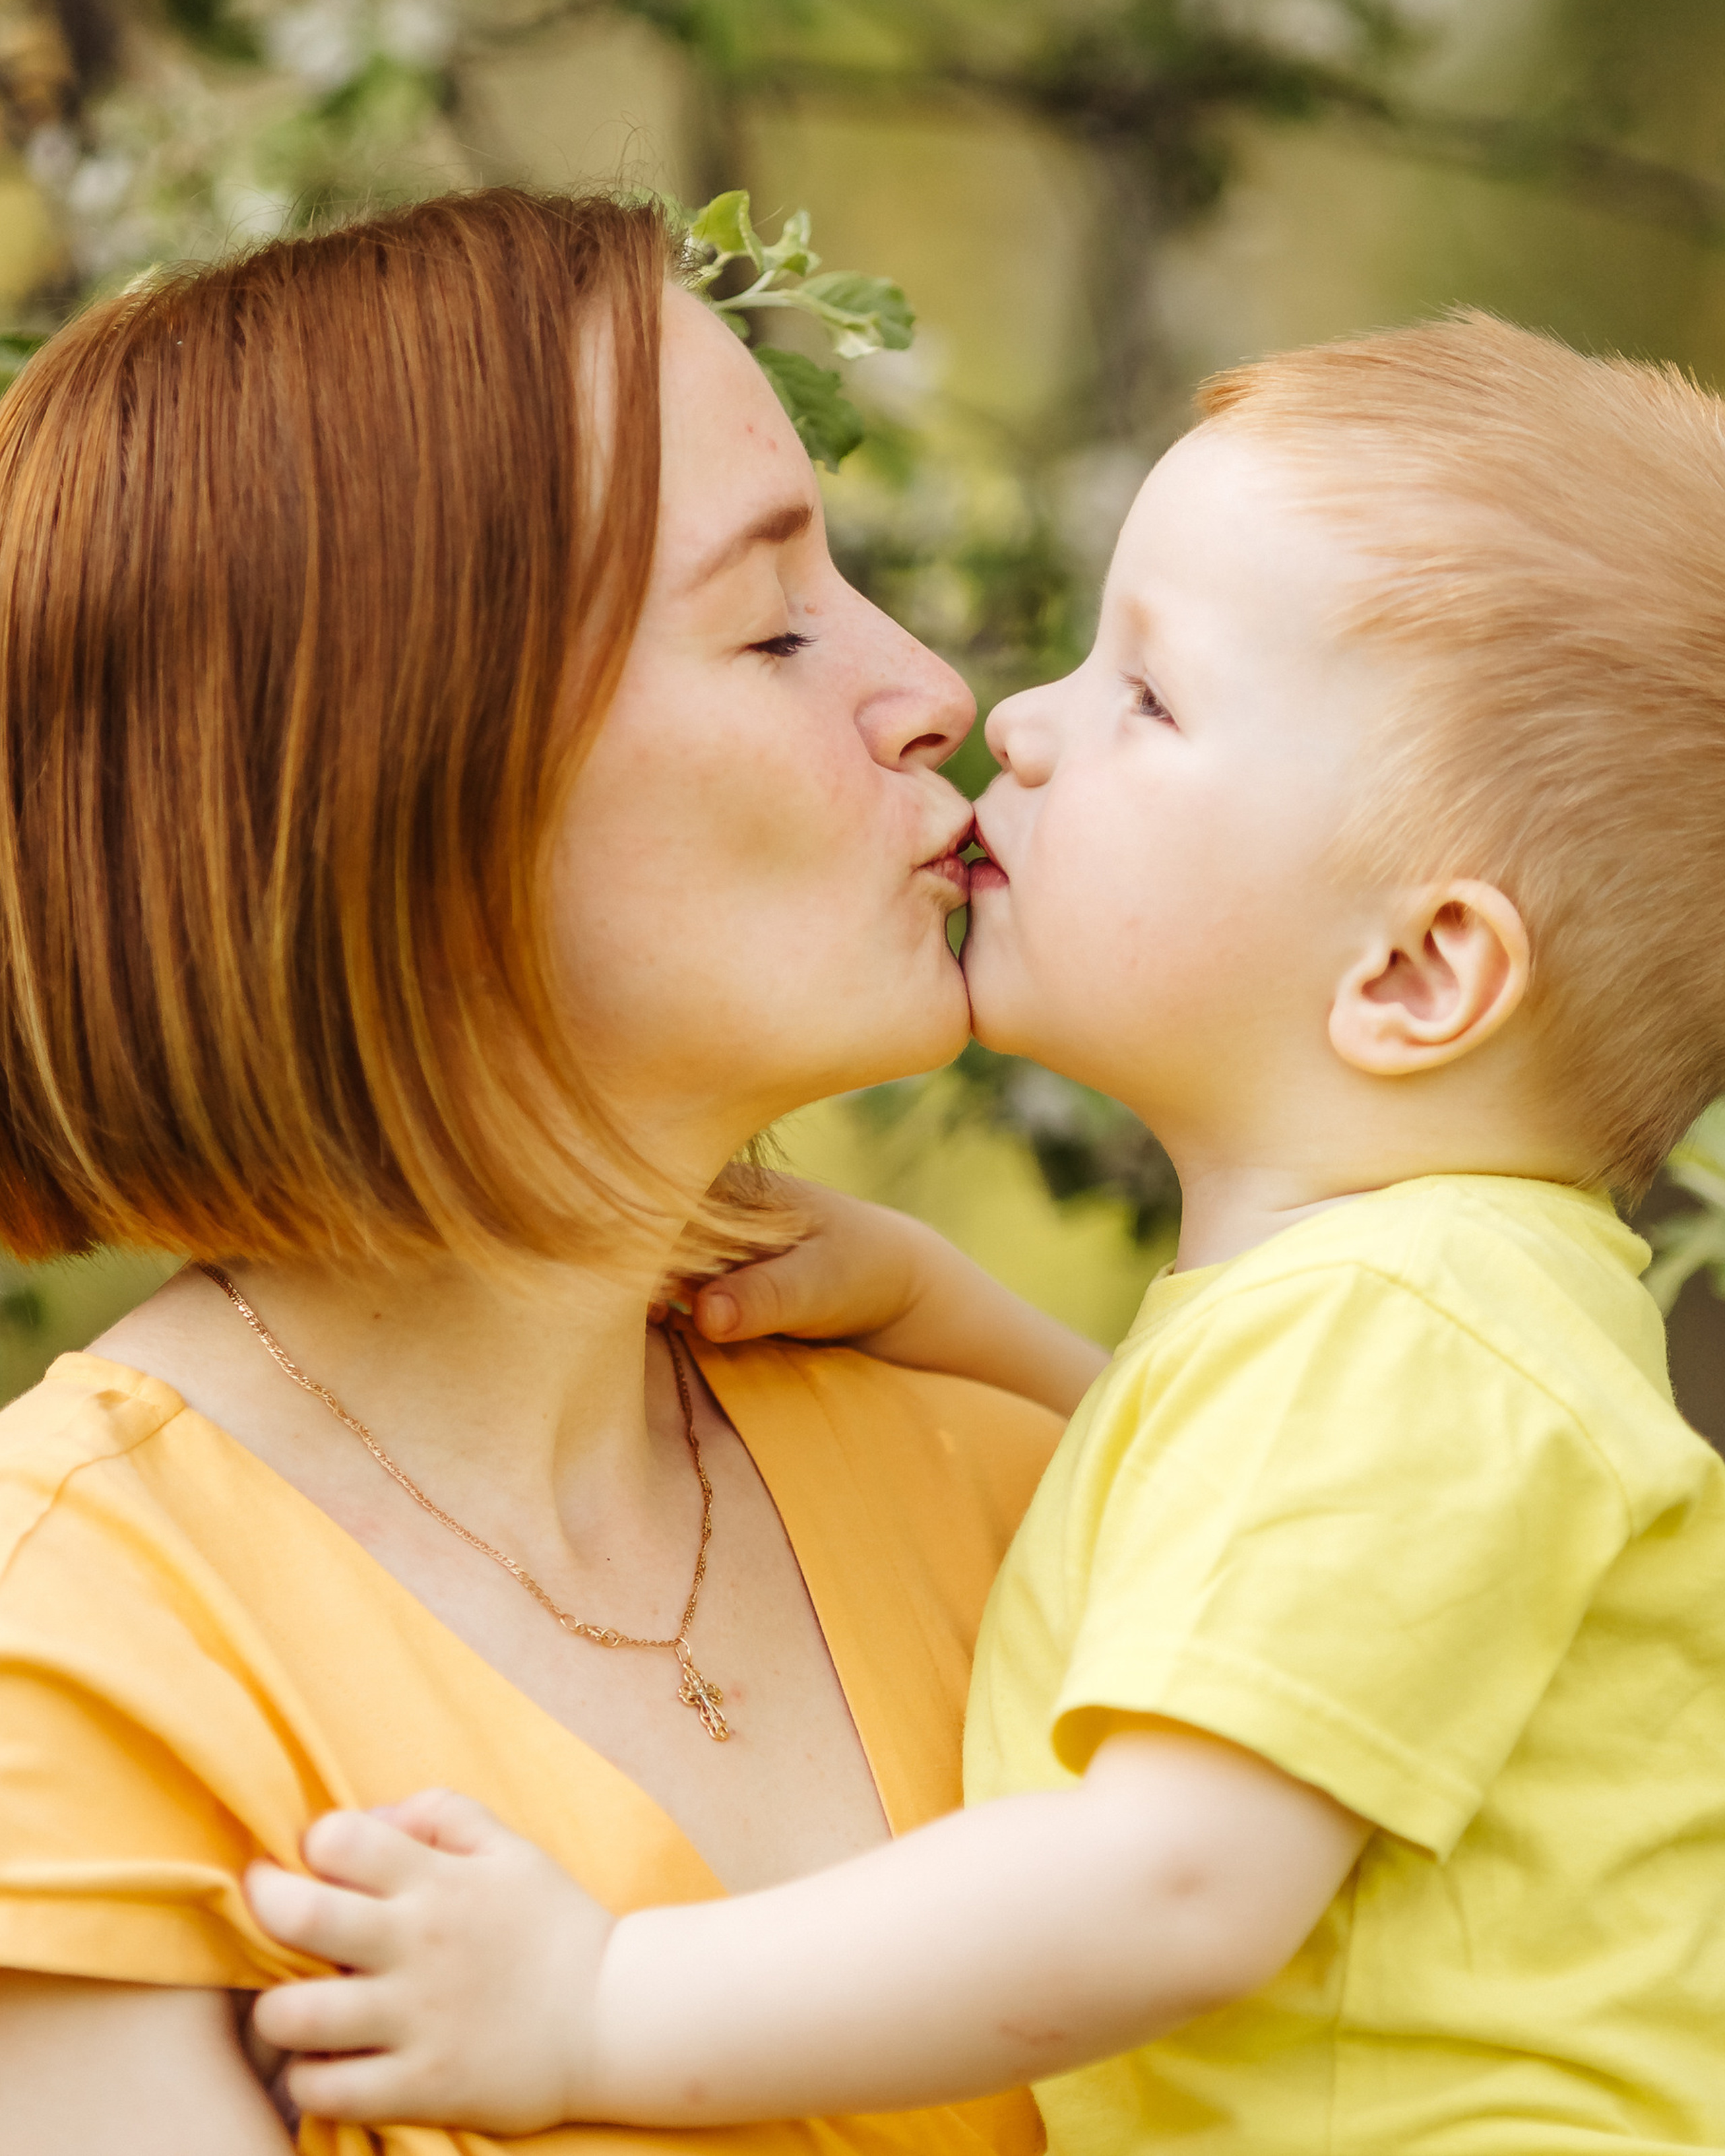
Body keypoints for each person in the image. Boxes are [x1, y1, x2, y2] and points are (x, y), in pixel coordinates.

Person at [246, 311, 1725, 2153]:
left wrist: (600, 2010)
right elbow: (1246, 1538)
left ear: (1417, 972)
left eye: (1149, 697)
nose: (1014, 719)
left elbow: (1174, 1888)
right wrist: (958, 1310)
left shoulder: (1406, 1326)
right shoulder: (1431, 1322)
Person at [0, 187, 1100, 2156]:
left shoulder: (999, 1466)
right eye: (770, 622)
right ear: (398, 789)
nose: (938, 684)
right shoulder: (74, 1660)